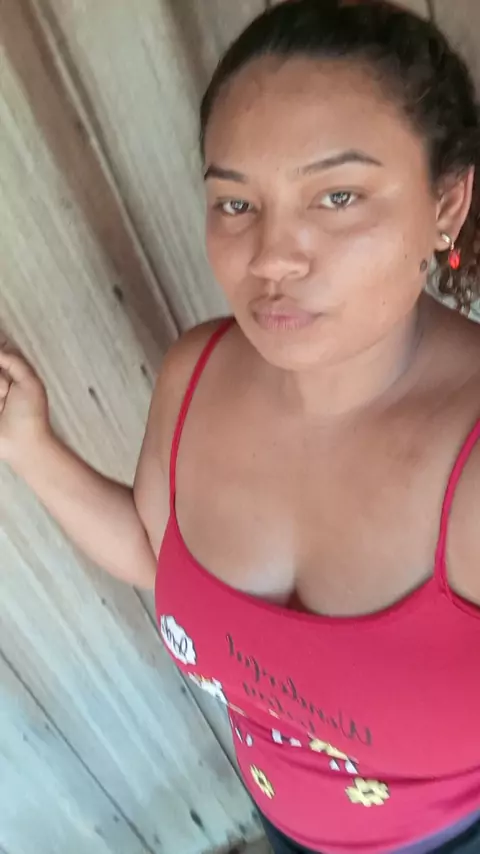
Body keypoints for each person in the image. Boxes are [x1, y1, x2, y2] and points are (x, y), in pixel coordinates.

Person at [2, 1, 480, 851]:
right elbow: (157, 557)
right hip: (278, 820)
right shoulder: (195, 375)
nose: (271, 257)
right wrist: (28, 445)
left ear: (447, 201)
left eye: (337, 196)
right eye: (234, 204)